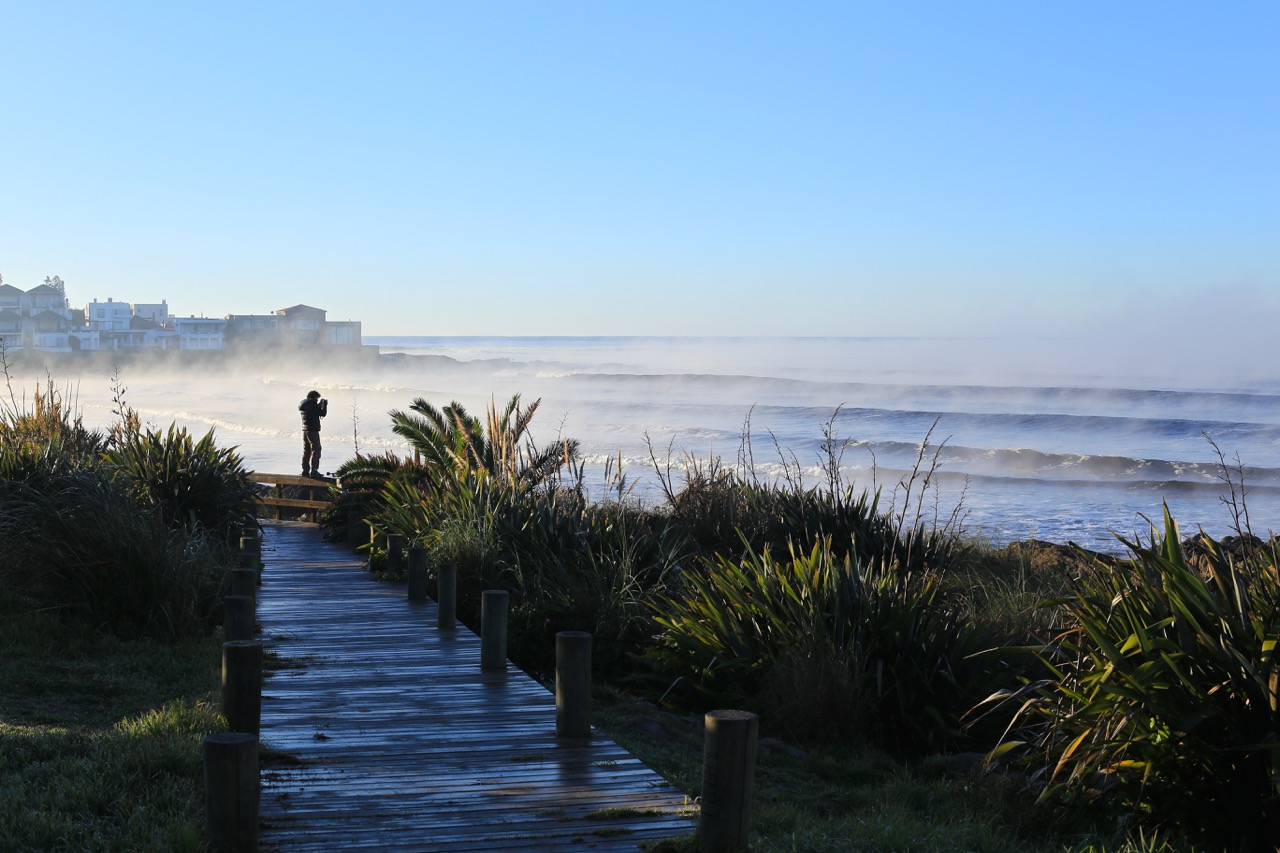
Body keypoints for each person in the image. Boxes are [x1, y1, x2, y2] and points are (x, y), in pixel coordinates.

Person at [299, 390, 328, 477]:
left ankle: (305, 470)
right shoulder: (312, 405)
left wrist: (319, 405)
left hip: (305, 431)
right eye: (317, 398)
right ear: (313, 397)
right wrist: (325, 405)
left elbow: (314, 411)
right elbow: (323, 413)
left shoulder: (304, 404)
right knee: (316, 449)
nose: (317, 400)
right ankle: (314, 471)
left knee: (306, 451)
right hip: (312, 431)